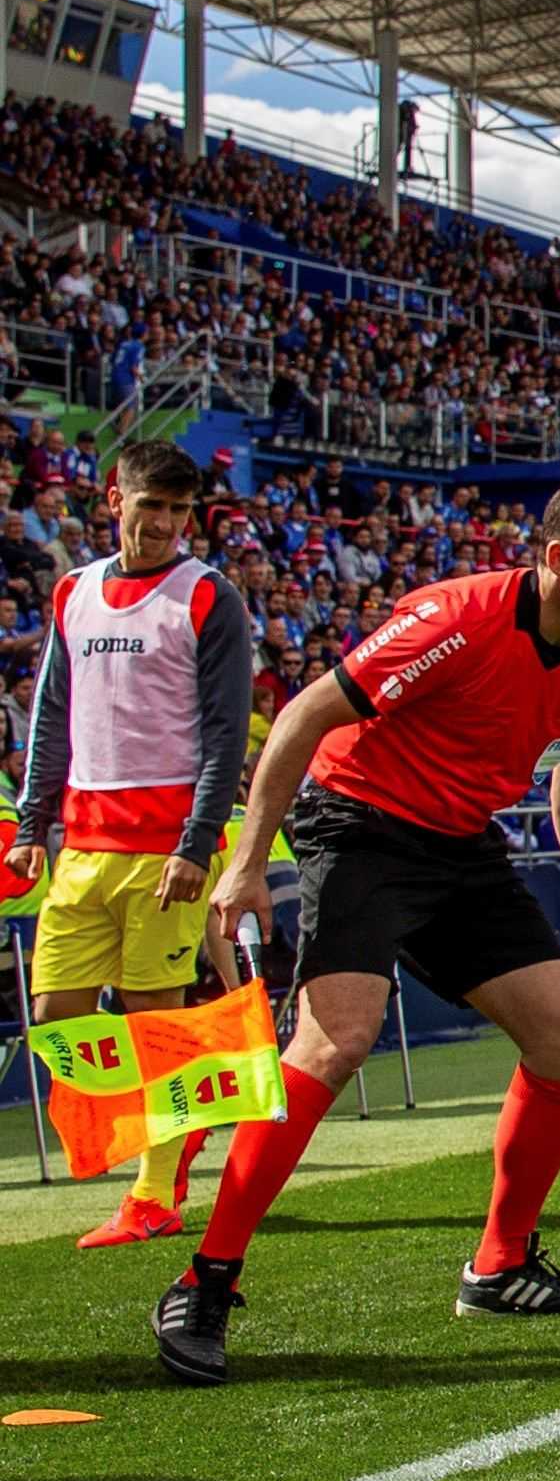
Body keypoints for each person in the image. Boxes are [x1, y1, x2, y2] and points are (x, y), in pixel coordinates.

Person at [157, 475, 560, 1388]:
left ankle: (499, 1266)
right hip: (356, 823)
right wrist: (246, 860)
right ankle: (205, 1279)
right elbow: (305, 715)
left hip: (458, 841)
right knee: (337, 1039)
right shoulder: (455, 617)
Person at [9, 441, 254, 1249]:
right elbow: (52, 713)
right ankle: (179, 1119)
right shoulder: (74, 591)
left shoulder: (208, 594)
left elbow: (225, 732)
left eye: (180, 510)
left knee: (154, 1016)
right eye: (152, 505)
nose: (166, 523)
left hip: (165, 846)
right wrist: (33, 821)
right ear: (115, 499)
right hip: (82, 844)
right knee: (57, 1015)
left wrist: (196, 842)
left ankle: (153, 1193)